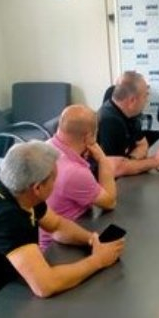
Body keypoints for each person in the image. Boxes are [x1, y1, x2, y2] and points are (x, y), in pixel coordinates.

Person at [0, 141, 125, 304]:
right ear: (38, 188)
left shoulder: (16, 190)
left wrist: (92, 239)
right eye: (54, 179)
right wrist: (98, 261)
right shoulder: (4, 218)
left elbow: (56, 225)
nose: (56, 183)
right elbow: (45, 285)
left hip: (10, 285)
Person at [40, 105, 117, 250]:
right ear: (89, 137)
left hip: (49, 237)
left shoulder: (44, 147)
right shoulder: (74, 172)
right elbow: (110, 202)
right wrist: (102, 158)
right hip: (58, 248)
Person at [97, 71, 159, 177]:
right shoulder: (110, 121)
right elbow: (116, 169)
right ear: (132, 100)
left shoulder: (130, 113)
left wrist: (130, 162)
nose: (147, 101)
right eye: (145, 96)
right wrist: (156, 160)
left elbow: (143, 144)